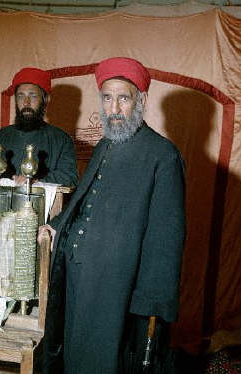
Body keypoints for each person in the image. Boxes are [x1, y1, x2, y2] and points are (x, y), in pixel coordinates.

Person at [41, 57, 186, 373]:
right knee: (72, 354)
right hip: (77, 274)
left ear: (141, 100)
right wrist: (55, 228)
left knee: (104, 361)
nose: (114, 108)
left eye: (124, 98)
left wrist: (151, 305)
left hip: (114, 285)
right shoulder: (105, 144)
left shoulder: (163, 155)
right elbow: (83, 200)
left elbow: (166, 240)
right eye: (107, 98)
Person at [0, 67, 78, 187]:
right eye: (21, 96)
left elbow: (69, 177)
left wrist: (36, 181)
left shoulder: (61, 139)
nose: (26, 102)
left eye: (33, 96)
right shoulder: (0, 136)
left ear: (45, 100)